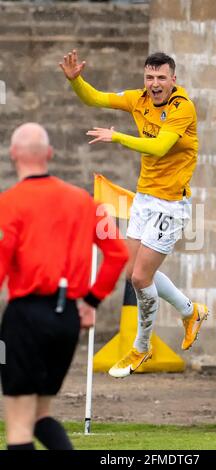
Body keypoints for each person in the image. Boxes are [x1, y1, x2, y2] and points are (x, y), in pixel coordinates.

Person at [60, 50, 208, 379]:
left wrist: (117, 137)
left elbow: (159, 147)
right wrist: (76, 81)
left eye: (161, 78)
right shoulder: (137, 99)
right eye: (149, 78)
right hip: (144, 198)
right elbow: (95, 98)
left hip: (171, 203)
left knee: (141, 278)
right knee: (133, 273)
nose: (154, 84)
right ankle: (190, 311)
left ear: (173, 80)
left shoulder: (182, 108)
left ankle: (142, 347)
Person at [0, 123, 128, 450]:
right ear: (50, 154)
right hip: (66, 319)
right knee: (41, 414)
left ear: (13, 155)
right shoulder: (84, 201)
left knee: (18, 422)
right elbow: (117, 254)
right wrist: (91, 301)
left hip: (26, 315)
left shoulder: (9, 204)